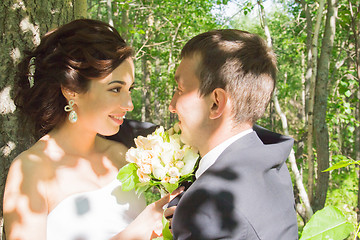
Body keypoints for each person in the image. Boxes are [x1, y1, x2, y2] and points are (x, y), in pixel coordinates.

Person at [3, 19, 181, 240]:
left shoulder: (124, 154)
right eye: (115, 89)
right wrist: (133, 235)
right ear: (71, 90)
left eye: (130, 89)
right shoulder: (31, 169)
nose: (129, 104)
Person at [168, 29, 298, 239]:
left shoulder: (210, 205)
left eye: (180, 89)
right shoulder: (271, 162)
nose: (171, 105)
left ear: (216, 103)